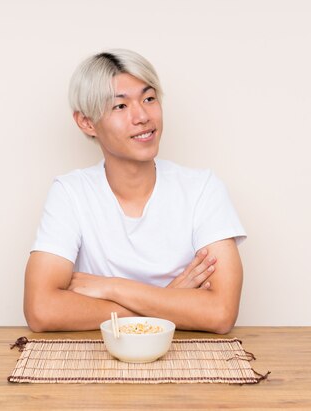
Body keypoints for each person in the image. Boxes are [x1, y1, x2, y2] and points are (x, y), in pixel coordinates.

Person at [24, 49, 246, 334]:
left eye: (149, 99)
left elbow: (221, 314)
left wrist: (113, 288)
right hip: (95, 363)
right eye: (120, 106)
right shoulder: (70, 193)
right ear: (86, 122)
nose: (142, 116)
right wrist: (170, 297)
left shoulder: (202, 189)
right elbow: (41, 311)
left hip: (189, 362)